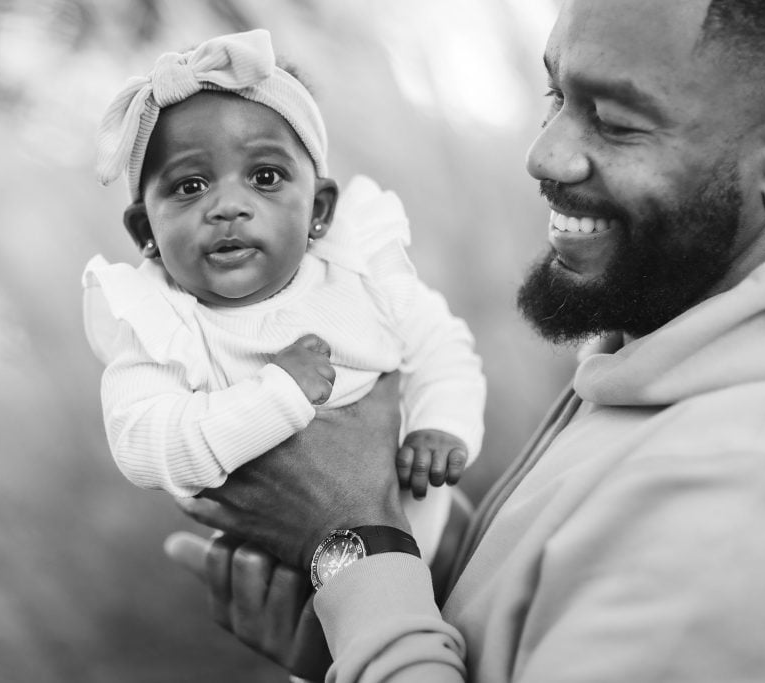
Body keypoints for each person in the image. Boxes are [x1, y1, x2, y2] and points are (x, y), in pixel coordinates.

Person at [166, 0, 765, 681]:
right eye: (555, 93)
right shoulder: (661, 356)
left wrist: (355, 549)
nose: (544, 153)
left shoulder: (752, 505)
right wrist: (423, 576)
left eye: (614, 122)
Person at [81, 29, 486, 566]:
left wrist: (443, 424)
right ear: (144, 232)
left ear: (318, 209)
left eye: (265, 176)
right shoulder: (162, 325)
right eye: (189, 186)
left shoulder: (359, 270)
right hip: (309, 584)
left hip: (449, 535)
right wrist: (278, 395)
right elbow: (144, 445)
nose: (227, 206)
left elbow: (443, 347)